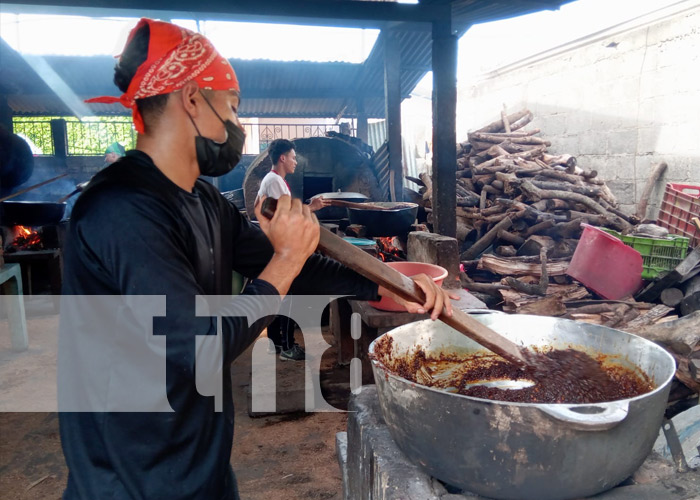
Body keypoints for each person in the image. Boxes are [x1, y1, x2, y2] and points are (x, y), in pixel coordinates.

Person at [58, 18, 455, 500]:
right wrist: (286, 258)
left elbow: (297, 264)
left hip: (197, 461)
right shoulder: (122, 209)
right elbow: (201, 344)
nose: (237, 125)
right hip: (129, 477)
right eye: (230, 106)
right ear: (190, 100)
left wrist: (386, 287)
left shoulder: (201, 200)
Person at [256, 139, 328, 360]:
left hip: (272, 246)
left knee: (279, 296)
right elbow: (286, 217)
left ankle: (276, 344)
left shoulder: (273, 180)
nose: (296, 162)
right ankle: (287, 347)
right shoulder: (275, 181)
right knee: (288, 296)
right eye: (293, 157)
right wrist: (312, 208)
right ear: (282, 158)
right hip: (279, 248)